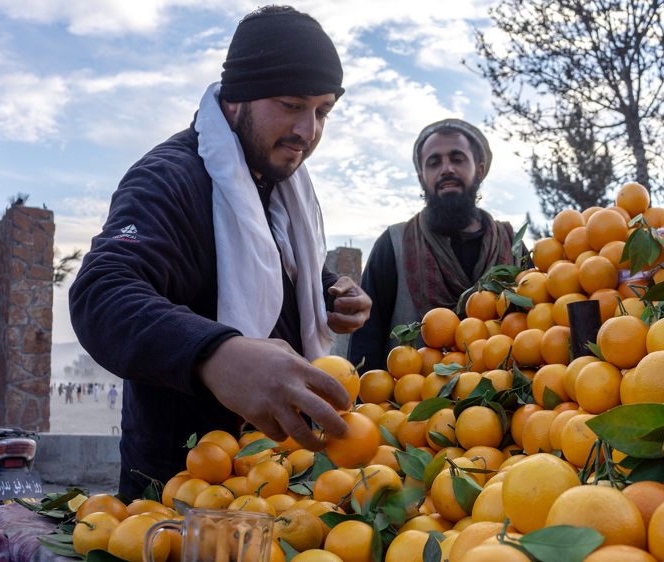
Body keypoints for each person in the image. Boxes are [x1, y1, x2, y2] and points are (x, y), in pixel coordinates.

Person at [69, 5, 371, 499]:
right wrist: (216, 354)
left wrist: (328, 289)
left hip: (274, 479)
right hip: (182, 489)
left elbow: (277, 267)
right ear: (236, 98)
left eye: (323, 111)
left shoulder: (275, 182)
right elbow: (101, 292)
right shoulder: (169, 177)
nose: (308, 131)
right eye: (292, 104)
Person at [348, 119, 518, 372]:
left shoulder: (512, 244)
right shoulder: (394, 243)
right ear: (422, 177)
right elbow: (365, 341)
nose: (446, 169)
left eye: (457, 159)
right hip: (410, 406)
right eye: (434, 162)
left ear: (480, 170)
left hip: (505, 405)